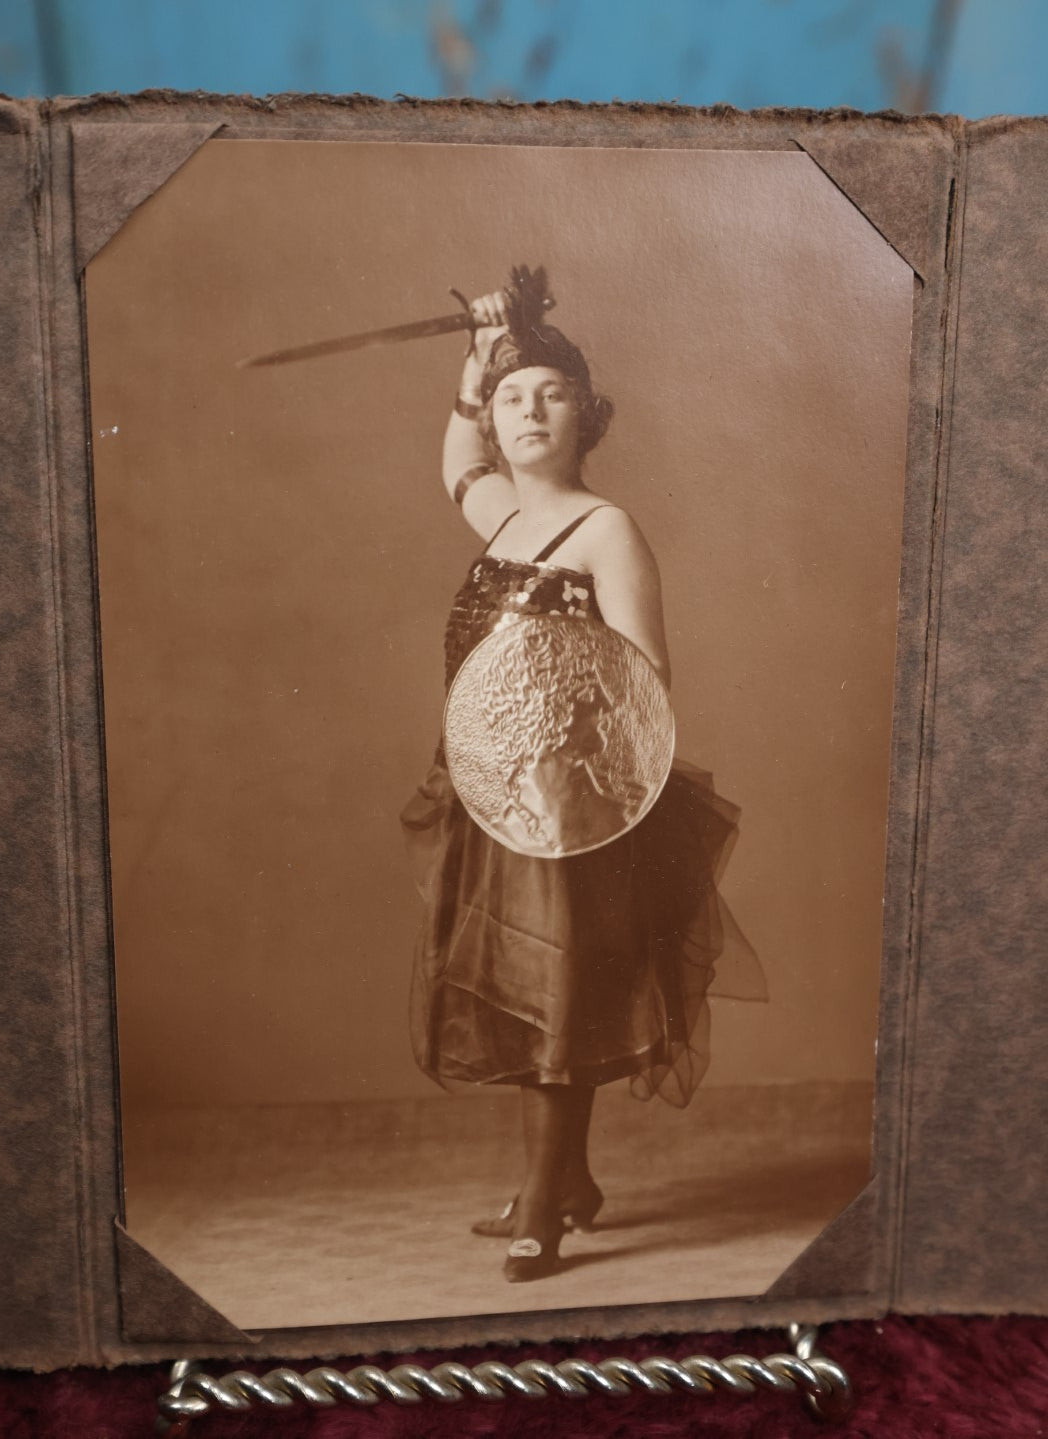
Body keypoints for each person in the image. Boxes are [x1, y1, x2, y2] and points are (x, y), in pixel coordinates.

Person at [401, 270, 762, 1283]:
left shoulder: (605, 529)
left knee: (559, 991)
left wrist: (565, 720)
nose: (526, 410)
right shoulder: (500, 520)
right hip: (492, 791)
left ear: (586, 417)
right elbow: (455, 459)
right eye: (511, 398)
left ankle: (543, 1208)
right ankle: (569, 1180)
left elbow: (648, 673)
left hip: (570, 805)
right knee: (533, 994)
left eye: (549, 393)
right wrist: (479, 352)